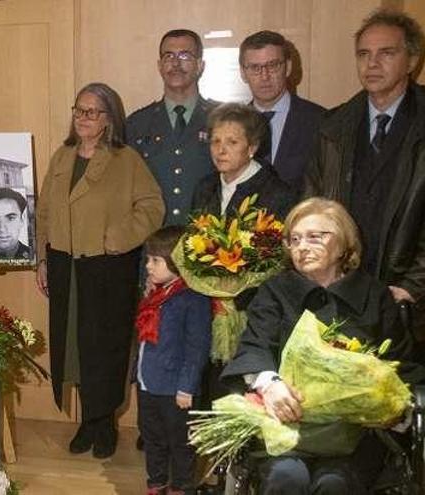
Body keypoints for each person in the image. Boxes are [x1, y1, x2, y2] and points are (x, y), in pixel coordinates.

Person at [221, 197, 425, 493]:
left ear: (344, 244)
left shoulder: (374, 295)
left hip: (358, 432)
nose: (302, 246)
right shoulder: (275, 292)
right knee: (286, 478)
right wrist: (270, 384)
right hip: (286, 424)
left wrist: (395, 410)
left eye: (316, 236)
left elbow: (402, 364)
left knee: (334, 483)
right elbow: (254, 347)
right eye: (295, 239)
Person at [36, 82, 164, 458]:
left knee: (105, 347)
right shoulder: (62, 157)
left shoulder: (126, 160)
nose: (83, 118)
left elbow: (152, 207)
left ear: (109, 119)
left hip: (108, 267)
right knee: (73, 345)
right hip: (65, 266)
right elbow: (43, 211)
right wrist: (42, 259)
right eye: (79, 110)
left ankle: (104, 421)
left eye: (93, 112)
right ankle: (87, 420)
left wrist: (117, 237)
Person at [305, 9, 425, 339]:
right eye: (364, 54)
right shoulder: (333, 126)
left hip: (407, 301)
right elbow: (312, 209)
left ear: (412, 60)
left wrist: (411, 288)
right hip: (340, 294)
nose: (372, 64)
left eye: (386, 53)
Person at [135, 226, 211, 495]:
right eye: (148, 259)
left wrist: (186, 386)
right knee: (152, 438)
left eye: (155, 260)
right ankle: (156, 484)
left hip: (176, 390)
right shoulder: (156, 293)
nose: (148, 266)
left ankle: (181, 487)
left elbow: (197, 346)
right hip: (148, 384)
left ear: (177, 262)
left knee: (181, 443)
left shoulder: (193, 298)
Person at [126, 29, 216, 225]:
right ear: (159, 66)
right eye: (168, 56)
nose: (175, 63)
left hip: (208, 246)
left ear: (200, 65)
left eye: (185, 55)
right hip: (153, 245)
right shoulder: (137, 124)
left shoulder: (222, 119)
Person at [239, 30, 325, 192]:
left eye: (272, 65)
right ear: (243, 73)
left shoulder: (320, 121)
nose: (265, 76)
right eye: (255, 67)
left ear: (288, 67)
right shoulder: (234, 125)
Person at [191, 103, 296, 218]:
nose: (221, 150)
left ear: (252, 147)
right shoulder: (204, 188)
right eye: (216, 141)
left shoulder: (277, 194)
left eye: (232, 142)